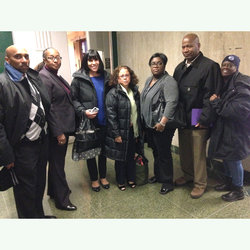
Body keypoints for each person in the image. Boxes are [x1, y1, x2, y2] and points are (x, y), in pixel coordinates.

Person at [0, 45, 55, 218]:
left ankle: (39, 216)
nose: (24, 60)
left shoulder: (31, 77)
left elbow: (43, 105)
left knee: (39, 184)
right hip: (21, 147)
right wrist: (7, 156)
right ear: (7, 60)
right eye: (18, 56)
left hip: (40, 143)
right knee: (25, 191)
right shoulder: (3, 83)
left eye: (26, 56)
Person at [173, 33, 222, 199]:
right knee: (185, 150)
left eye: (189, 46)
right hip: (183, 117)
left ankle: (200, 183)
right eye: (183, 46)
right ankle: (188, 176)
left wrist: (204, 119)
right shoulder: (179, 68)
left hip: (198, 117)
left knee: (198, 153)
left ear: (198, 46)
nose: (186, 50)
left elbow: (212, 95)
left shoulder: (209, 66)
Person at [39, 47, 77, 211]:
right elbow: (50, 107)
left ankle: (54, 192)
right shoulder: (44, 77)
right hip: (57, 130)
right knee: (57, 165)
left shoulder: (55, 76)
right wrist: (59, 132)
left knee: (56, 163)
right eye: (51, 58)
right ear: (45, 60)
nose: (55, 60)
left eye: (58, 57)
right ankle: (62, 200)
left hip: (63, 125)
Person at [208, 55, 250, 202]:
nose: (225, 67)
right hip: (225, 128)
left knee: (233, 159)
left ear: (236, 67)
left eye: (230, 65)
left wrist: (217, 102)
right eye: (224, 64)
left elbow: (238, 110)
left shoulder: (242, 82)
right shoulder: (225, 82)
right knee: (226, 157)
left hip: (237, 130)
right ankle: (229, 182)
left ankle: (238, 190)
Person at [71, 49, 111, 192]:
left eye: (96, 60)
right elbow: (73, 99)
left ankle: (103, 177)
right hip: (89, 122)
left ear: (99, 61)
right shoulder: (79, 79)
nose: (93, 63)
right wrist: (83, 111)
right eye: (90, 60)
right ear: (85, 62)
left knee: (103, 151)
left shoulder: (106, 76)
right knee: (91, 152)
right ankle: (94, 179)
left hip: (105, 120)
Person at [141, 53, 178, 195]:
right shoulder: (149, 80)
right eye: (153, 63)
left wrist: (163, 122)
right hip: (150, 125)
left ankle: (167, 182)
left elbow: (172, 102)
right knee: (156, 152)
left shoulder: (168, 81)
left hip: (162, 125)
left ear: (164, 65)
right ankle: (158, 176)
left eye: (159, 63)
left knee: (164, 153)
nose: (156, 66)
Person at [105, 66, 142, 191]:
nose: (125, 77)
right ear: (117, 79)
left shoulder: (134, 91)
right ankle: (121, 181)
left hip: (133, 130)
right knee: (120, 158)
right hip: (120, 132)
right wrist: (116, 134)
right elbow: (111, 116)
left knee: (131, 155)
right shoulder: (113, 93)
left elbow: (137, 111)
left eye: (127, 75)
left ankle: (131, 178)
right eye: (122, 76)